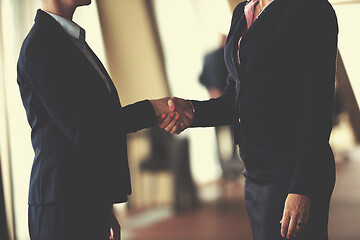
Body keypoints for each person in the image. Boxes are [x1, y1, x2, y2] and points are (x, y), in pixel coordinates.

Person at [161, 0, 338, 239]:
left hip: (294, 170)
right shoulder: (242, 13)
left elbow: (319, 106)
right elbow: (236, 96)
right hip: (255, 170)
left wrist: (302, 188)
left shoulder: (310, 8)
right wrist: (193, 111)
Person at [17, 0, 178, 239]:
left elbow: (92, 131)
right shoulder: (40, 45)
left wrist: (104, 206)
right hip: (61, 209)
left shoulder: (70, 40)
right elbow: (86, 128)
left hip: (84, 201)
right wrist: (150, 110)